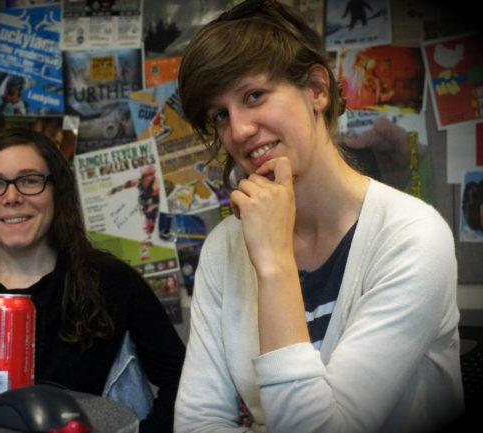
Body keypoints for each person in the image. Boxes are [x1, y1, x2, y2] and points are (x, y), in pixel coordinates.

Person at [174, 1, 463, 432]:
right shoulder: (225, 247)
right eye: (221, 115)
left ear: (316, 89)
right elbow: (198, 422)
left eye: (254, 96)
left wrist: (274, 264)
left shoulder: (412, 237)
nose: (238, 131)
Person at [0, 128, 185, 433]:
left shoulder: (114, 284)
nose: (11, 197)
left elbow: (183, 380)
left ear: (56, 191)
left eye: (30, 180)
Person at [108, 165, 160, 261]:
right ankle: (145, 249)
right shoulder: (138, 181)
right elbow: (126, 185)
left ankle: (147, 240)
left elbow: (157, 201)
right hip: (143, 205)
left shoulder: (155, 183)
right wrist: (115, 190)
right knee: (146, 228)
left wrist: (151, 207)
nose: (150, 178)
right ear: (144, 176)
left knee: (150, 227)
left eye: (151, 175)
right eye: (148, 176)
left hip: (153, 206)